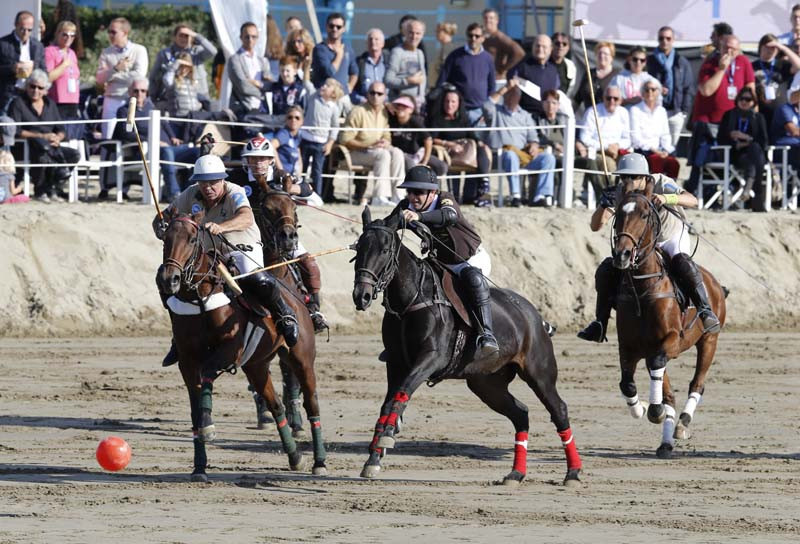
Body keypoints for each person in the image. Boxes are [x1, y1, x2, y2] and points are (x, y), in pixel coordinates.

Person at [154, 153, 300, 367]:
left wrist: (222, 227)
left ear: (222, 180)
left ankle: (284, 315)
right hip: (206, 251)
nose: (208, 187)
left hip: (240, 246)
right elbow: (164, 217)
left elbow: (246, 217)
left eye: (213, 182)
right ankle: (178, 338)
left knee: (258, 279)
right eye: (203, 182)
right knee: (165, 277)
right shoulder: (190, 194)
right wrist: (161, 226)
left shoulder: (235, 192)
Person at [577, 153, 721, 343]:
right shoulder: (621, 192)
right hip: (639, 244)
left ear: (645, 177)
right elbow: (595, 226)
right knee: (606, 270)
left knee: (681, 262)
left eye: (634, 177)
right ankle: (600, 324)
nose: (628, 181)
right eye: (624, 177)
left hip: (669, 236)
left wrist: (666, 198)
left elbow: (692, 200)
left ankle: (704, 310)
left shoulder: (662, 181)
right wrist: (603, 205)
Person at [385, 165, 499, 373]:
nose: (413, 197)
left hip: (470, 259)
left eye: (418, 192)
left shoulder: (445, 199)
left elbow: (449, 216)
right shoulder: (406, 206)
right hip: (440, 262)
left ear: (433, 192)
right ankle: (397, 339)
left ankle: (487, 334)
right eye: (409, 191)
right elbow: (387, 226)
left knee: (472, 279)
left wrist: (419, 218)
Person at [232, 135, 329, 333]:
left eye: (262, 158)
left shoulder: (281, 176)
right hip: (245, 236)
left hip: (280, 235)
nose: (257, 163)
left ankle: (314, 309)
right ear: (247, 160)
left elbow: (307, 189)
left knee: (309, 264)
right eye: (253, 158)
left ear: (270, 160)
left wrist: (290, 188)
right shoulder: (237, 178)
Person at [110, 78, 199, 202]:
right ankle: (175, 194)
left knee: (197, 152)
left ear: (147, 92)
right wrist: (153, 141)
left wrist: (173, 137)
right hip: (146, 151)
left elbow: (165, 124)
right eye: (136, 91)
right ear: (130, 92)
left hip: (169, 147)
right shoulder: (125, 111)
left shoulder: (153, 107)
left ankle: (191, 193)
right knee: (167, 152)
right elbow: (127, 133)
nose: (139, 94)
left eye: (143, 91)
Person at [686, 34, 755, 194]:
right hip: (708, 121)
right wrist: (722, 69)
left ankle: (731, 192)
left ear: (739, 50)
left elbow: (751, 89)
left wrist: (753, 114)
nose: (729, 51)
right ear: (720, 47)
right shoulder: (710, 62)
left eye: (734, 49)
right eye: (726, 47)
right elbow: (706, 90)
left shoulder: (743, 62)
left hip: (732, 121)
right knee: (704, 157)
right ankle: (701, 191)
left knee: (732, 157)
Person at [9, 69, 79, 202]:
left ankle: (54, 187)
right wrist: (41, 136)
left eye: (40, 87)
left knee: (73, 154)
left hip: (52, 146)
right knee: (42, 149)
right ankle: (40, 190)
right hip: (27, 146)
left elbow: (61, 129)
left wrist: (58, 137)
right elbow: (16, 130)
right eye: (32, 86)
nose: (36, 90)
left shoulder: (50, 104)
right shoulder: (18, 103)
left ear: (46, 89)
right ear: (27, 86)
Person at [484, 80, 556, 207]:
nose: (513, 97)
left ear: (519, 97)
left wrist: (534, 145)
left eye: (515, 95)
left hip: (523, 155)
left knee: (548, 158)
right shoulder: (496, 112)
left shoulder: (525, 115)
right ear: (505, 96)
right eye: (510, 94)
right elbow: (486, 105)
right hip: (501, 155)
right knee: (510, 155)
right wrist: (505, 88)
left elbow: (533, 137)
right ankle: (515, 195)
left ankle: (540, 196)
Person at [339, 81, 405, 206]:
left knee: (397, 152)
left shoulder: (384, 112)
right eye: (372, 92)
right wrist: (368, 146)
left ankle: (398, 196)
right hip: (354, 152)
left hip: (375, 150)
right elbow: (345, 139)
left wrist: (385, 141)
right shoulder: (358, 111)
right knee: (383, 155)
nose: (376, 96)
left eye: (379, 93)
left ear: (385, 96)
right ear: (367, 94)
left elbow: (386, 134)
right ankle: (379, 197)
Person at [428, 85, 492, 206]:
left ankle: (483, 185)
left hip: (465, 153)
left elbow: (471, 134)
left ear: (458, 103)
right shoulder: (437, 119)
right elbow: (431, 138)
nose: (450, 104)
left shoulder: (462, 118)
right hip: (447, 153)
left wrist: (480, 142)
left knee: (481, 149)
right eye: (447, 101)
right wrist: (448, 143)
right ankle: (459, 196)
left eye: (453, 101)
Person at [163, 52, 236, 143]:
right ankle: (221, 114)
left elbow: (202, 99)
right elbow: (166, 79)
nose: (184, 69)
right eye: (182, 66)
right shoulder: (172, 81)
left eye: (187, 66)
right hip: (180, 119)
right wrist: (177, 63)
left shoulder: (192, 82)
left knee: (203, 115)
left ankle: (223, 115)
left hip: (193, 120)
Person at [95, 17, 148, 139]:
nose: (110, 35)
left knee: (132, 136)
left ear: (125, 33)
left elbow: (139, 75)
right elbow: (100, 78)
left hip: (132, 100)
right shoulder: (106, 52)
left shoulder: (139, 50)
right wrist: (116, 69)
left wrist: (112, 76)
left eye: (113, 32)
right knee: (107, 137)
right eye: (109, 32)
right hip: (112, 99)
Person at [717, 88, 768, 210]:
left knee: (754, 153)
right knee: (756, 159)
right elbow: (720, 138)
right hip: (733, 153)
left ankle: (749, 190)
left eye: (748, 99)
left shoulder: (758, 117)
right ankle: (757, 194)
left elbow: (764, 141)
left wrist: (747, 139)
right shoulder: (729, 115)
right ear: (737, 100)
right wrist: (734, 140)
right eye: (742, 99)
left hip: (753, 153)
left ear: (753, 102)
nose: (744, 102)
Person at [437, 23, 496, 126]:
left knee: (479, 141)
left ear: (483, 38)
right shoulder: (455, 56)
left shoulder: (488, 58)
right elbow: (442, 82)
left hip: (480, 112)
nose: (473, 38)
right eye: (470, 35)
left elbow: (491, 87)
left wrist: (487, 111)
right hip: (458, 111)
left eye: (477, 36)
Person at [148, 23, 217, 110]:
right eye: (181, 35)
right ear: (174, 37)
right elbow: (153, 77)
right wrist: (153, 97)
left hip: (199, 96)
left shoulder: (197, 52)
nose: (183, 38)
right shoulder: (165, 54)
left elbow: (213, 51)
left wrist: (196, 35)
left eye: (186, 36)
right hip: (174, 97)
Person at [646, 26, 695, 147]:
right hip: (655, 110)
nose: (665, 41)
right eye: (661, 38)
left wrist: (684, 110)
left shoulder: (680, 61)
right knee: (654, 146)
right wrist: (656, 89)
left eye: (668, 38)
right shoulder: (650, 60)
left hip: (675, 111)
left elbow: (688, 86)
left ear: (673, 40)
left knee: (671, 148)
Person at [300, 78, 342, 199]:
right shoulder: (313, 96)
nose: (323, 86)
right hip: (305, 140)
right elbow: (307, 82)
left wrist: (330, 143)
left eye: (328, 86)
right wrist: (307, 65)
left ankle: (317, 196)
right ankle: (298, 193)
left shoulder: (333, 108)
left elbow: (335, 127)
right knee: (302, 168)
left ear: (333, 92)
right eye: (324, 84)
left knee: (317, 171)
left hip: (320, 143)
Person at [387, 94, 448, 179]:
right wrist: (390, 105)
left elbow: (428, 139)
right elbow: (382, 103)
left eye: (405, 106)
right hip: (400, 154)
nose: (401, 108)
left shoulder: (415, 120)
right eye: (398, 105)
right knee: (412, 167)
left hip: (416, 153)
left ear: (411, 110)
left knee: (441, 167)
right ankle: (413, 190)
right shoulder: (391, 118)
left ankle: (429, 188)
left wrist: (425, 161)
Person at [630, 80, 679, 179]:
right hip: (644, 151)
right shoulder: (635, 110)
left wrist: (666, 150)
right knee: (657, 161)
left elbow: (665, 134)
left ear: (658, 92)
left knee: (674, 164)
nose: (650, 92)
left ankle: (670, 192)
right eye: (647, 90)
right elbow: (636, 138)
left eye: (653, 89)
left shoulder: (661, 111)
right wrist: (654, 150)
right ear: (642, 93)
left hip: (659, 151)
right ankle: (654, 192)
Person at [577, 86, 631, 175]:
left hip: (618, 151)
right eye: (608, 98)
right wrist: (606, 147)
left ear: (620, 100)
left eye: (615, 99)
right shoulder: (592, 112)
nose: (612, 101)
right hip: (598, 151)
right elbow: (585, 138)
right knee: (610, 165)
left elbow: (627, 139)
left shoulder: (624, 113)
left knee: (630, 163)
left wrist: (617, 146)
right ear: (603, 98)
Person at [0, 11, 45, 115]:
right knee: (6, 126)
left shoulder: (38, 46)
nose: (26, 33)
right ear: (16, 25)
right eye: (22, 29)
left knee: (26, 128)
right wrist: (11, 68)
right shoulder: (3, 44)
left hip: (30, 95)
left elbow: (44, 70)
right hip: (8, 94)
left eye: (29, 30)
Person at [752, 33, 800, 130]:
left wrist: (782, 47)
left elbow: (798, 66)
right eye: (767, 47)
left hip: (780, 113)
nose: (770, 50)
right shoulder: (752, 66)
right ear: (760, 47)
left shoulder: (782, 64)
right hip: (760, 111)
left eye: (774, 48)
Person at [507, 34, 561, 118]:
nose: (540, 49)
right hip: (525, 117)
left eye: (544, 47)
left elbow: (555, 92)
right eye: (537, 46)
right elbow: (510, 89)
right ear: (532, 47)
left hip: (545, 118)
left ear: (550, 49)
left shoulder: (553, 70)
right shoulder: (521, 67)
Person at [228, 22, 272, 118]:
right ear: (241, 37)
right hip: (243, 108)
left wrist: (258, 83)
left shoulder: (262, 61)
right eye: (247, 37)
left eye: (253, 37)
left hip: (262, 108)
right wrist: (262, 89)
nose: (250, 40)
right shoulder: (235, 59)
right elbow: (243, 86)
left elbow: (269, 85)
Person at [311, 12, 358, 100]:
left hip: (342, 97)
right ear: (326, 27)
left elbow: (354, 72)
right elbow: (330, 72)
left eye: (338, 27)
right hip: (324, 98)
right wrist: (339, 55)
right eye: (331, 26)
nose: (334, 29)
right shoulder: (320, 49)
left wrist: (349, 87)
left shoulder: (348, 50)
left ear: (344, 29)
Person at [44, 21, 80, 130]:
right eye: (65, 34)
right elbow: (48, 77)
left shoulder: (72, 53)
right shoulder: (50, 51)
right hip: (57, 101)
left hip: (73, 99)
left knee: (71, 131)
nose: (68, 38)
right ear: (58, 34)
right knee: (60, 131)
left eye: (72, 35)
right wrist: (63, 65)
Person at [385, 19, 426, 104]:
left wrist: (422, 97)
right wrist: (408, 81)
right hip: (400, 105)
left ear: (422, 35)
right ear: (405, 33)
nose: (414, 37)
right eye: (411, 32)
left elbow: (422, 78)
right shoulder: (397, 52)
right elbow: (388, 80)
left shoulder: (420, 53)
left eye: (418, 33)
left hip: (416, 105)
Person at [575, 41, 620, 112]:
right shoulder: (589, 73)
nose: (602, 56)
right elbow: (578, 98)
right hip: (590, 116)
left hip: (608, 117)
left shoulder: (617, 75)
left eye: (605, 54)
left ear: (611, 57)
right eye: (599, 53)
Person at [482, 8, 524, 80]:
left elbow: (519, 52)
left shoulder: (500, 37)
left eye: (491, 18)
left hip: (497, 79)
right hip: (484, 77)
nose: (488, 20)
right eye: (486, 18)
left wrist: (504, 69)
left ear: (497, 21)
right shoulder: (482, 37)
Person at [352, 29, 387, 105]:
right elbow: (351, 88)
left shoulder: (388, 62)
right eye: (370, 39)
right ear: (366, 43)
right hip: (364, 105)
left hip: (386, 105)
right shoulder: (358, 62)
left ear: (383, 44)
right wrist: (361, 100)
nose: (373, 42)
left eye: (376, 39)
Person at [271, 105, 303, 175]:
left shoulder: (297, 135)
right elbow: (271, 146)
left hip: (291, 175)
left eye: (297, 118)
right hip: (281, 177)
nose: (293, 120)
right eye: (290, 117)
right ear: (286, 120)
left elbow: (298, 151)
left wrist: (299, 173)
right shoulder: (284, 134)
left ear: (302, 121)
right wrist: (281, 169)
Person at [428, 22, 457, 91]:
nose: (436, 34)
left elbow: (444, 69)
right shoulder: (443, 47)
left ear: (445, 32)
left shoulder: (447, 48)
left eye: (438, 31)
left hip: (441, 87)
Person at [550, 32, 577, 97]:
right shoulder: (544, 62)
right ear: (551, 45)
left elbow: (571, 89)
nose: (560, 46)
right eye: (557, 43)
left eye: (564, 44)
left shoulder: (570, 66)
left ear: (568, 48)